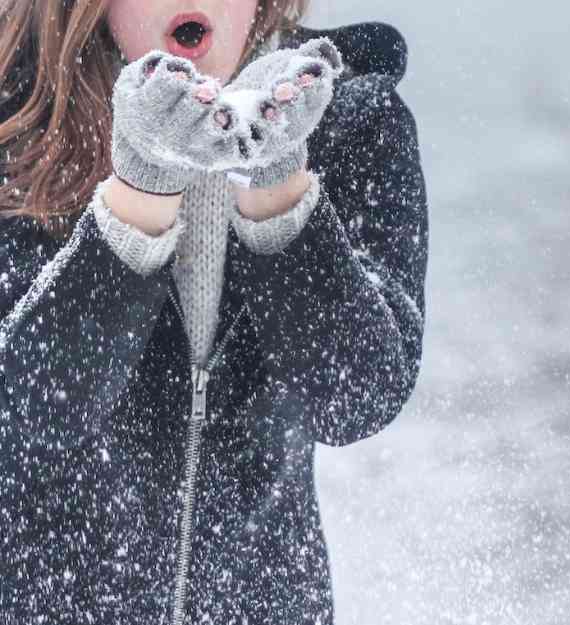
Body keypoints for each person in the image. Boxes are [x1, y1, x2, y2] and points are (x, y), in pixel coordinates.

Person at [0, 1, 428, 623]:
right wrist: (139, 193)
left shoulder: (351, 119)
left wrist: (278, 190)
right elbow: (21, 421)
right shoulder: (17, 126)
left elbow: (355, 399)